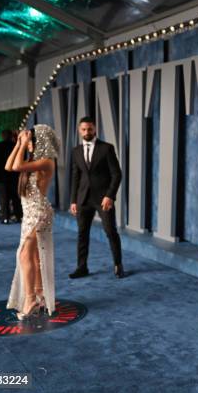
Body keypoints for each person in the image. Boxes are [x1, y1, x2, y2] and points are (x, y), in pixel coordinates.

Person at [5, 125, 59, 320]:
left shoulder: (46, 162)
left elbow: (17, 166)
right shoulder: (35, 160)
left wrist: (23, 143)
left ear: (38, 142)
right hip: (30, 214)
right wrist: (20, 143)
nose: (27, 145)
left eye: (30, 141)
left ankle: (30, 300)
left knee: (23, 254)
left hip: (39, 214)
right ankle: (39, 295)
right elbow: (9, 166)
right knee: (33, 256)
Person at [69, 116, 124, 279]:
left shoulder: (106, 148)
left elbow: (117, 174)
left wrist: (110, 196)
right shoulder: (76, 151)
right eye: (84, 129)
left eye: (90, 129)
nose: (87, 132)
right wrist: (73, 200)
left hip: (103, 199)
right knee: (82, 233)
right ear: (79, 130)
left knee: (110, 231)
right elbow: (75, 177)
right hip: (83, 199)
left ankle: (118, 265)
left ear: (95, 129)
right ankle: (82, 267)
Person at [0, 129, 22, 224]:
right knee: (15, 197)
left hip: (0, 176)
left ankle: (5, 217)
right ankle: (18, 216)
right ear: (11, 136)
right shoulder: (15, 146)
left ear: (2, 136)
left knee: (3, 197)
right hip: (14, 175)